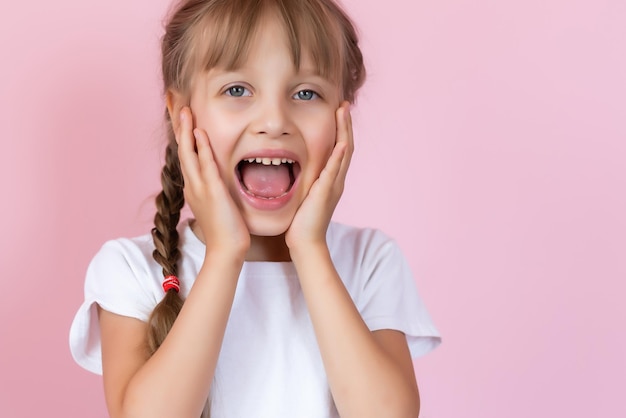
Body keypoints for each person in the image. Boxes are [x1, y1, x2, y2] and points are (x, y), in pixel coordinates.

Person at [69, 0, 441, 416]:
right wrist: (226, 253)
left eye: (306, 93)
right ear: (180, 116)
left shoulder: (370, 260)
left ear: (342, 120)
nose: (274, 120)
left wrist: (310, 248)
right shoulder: (132, 269)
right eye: (237, 90)